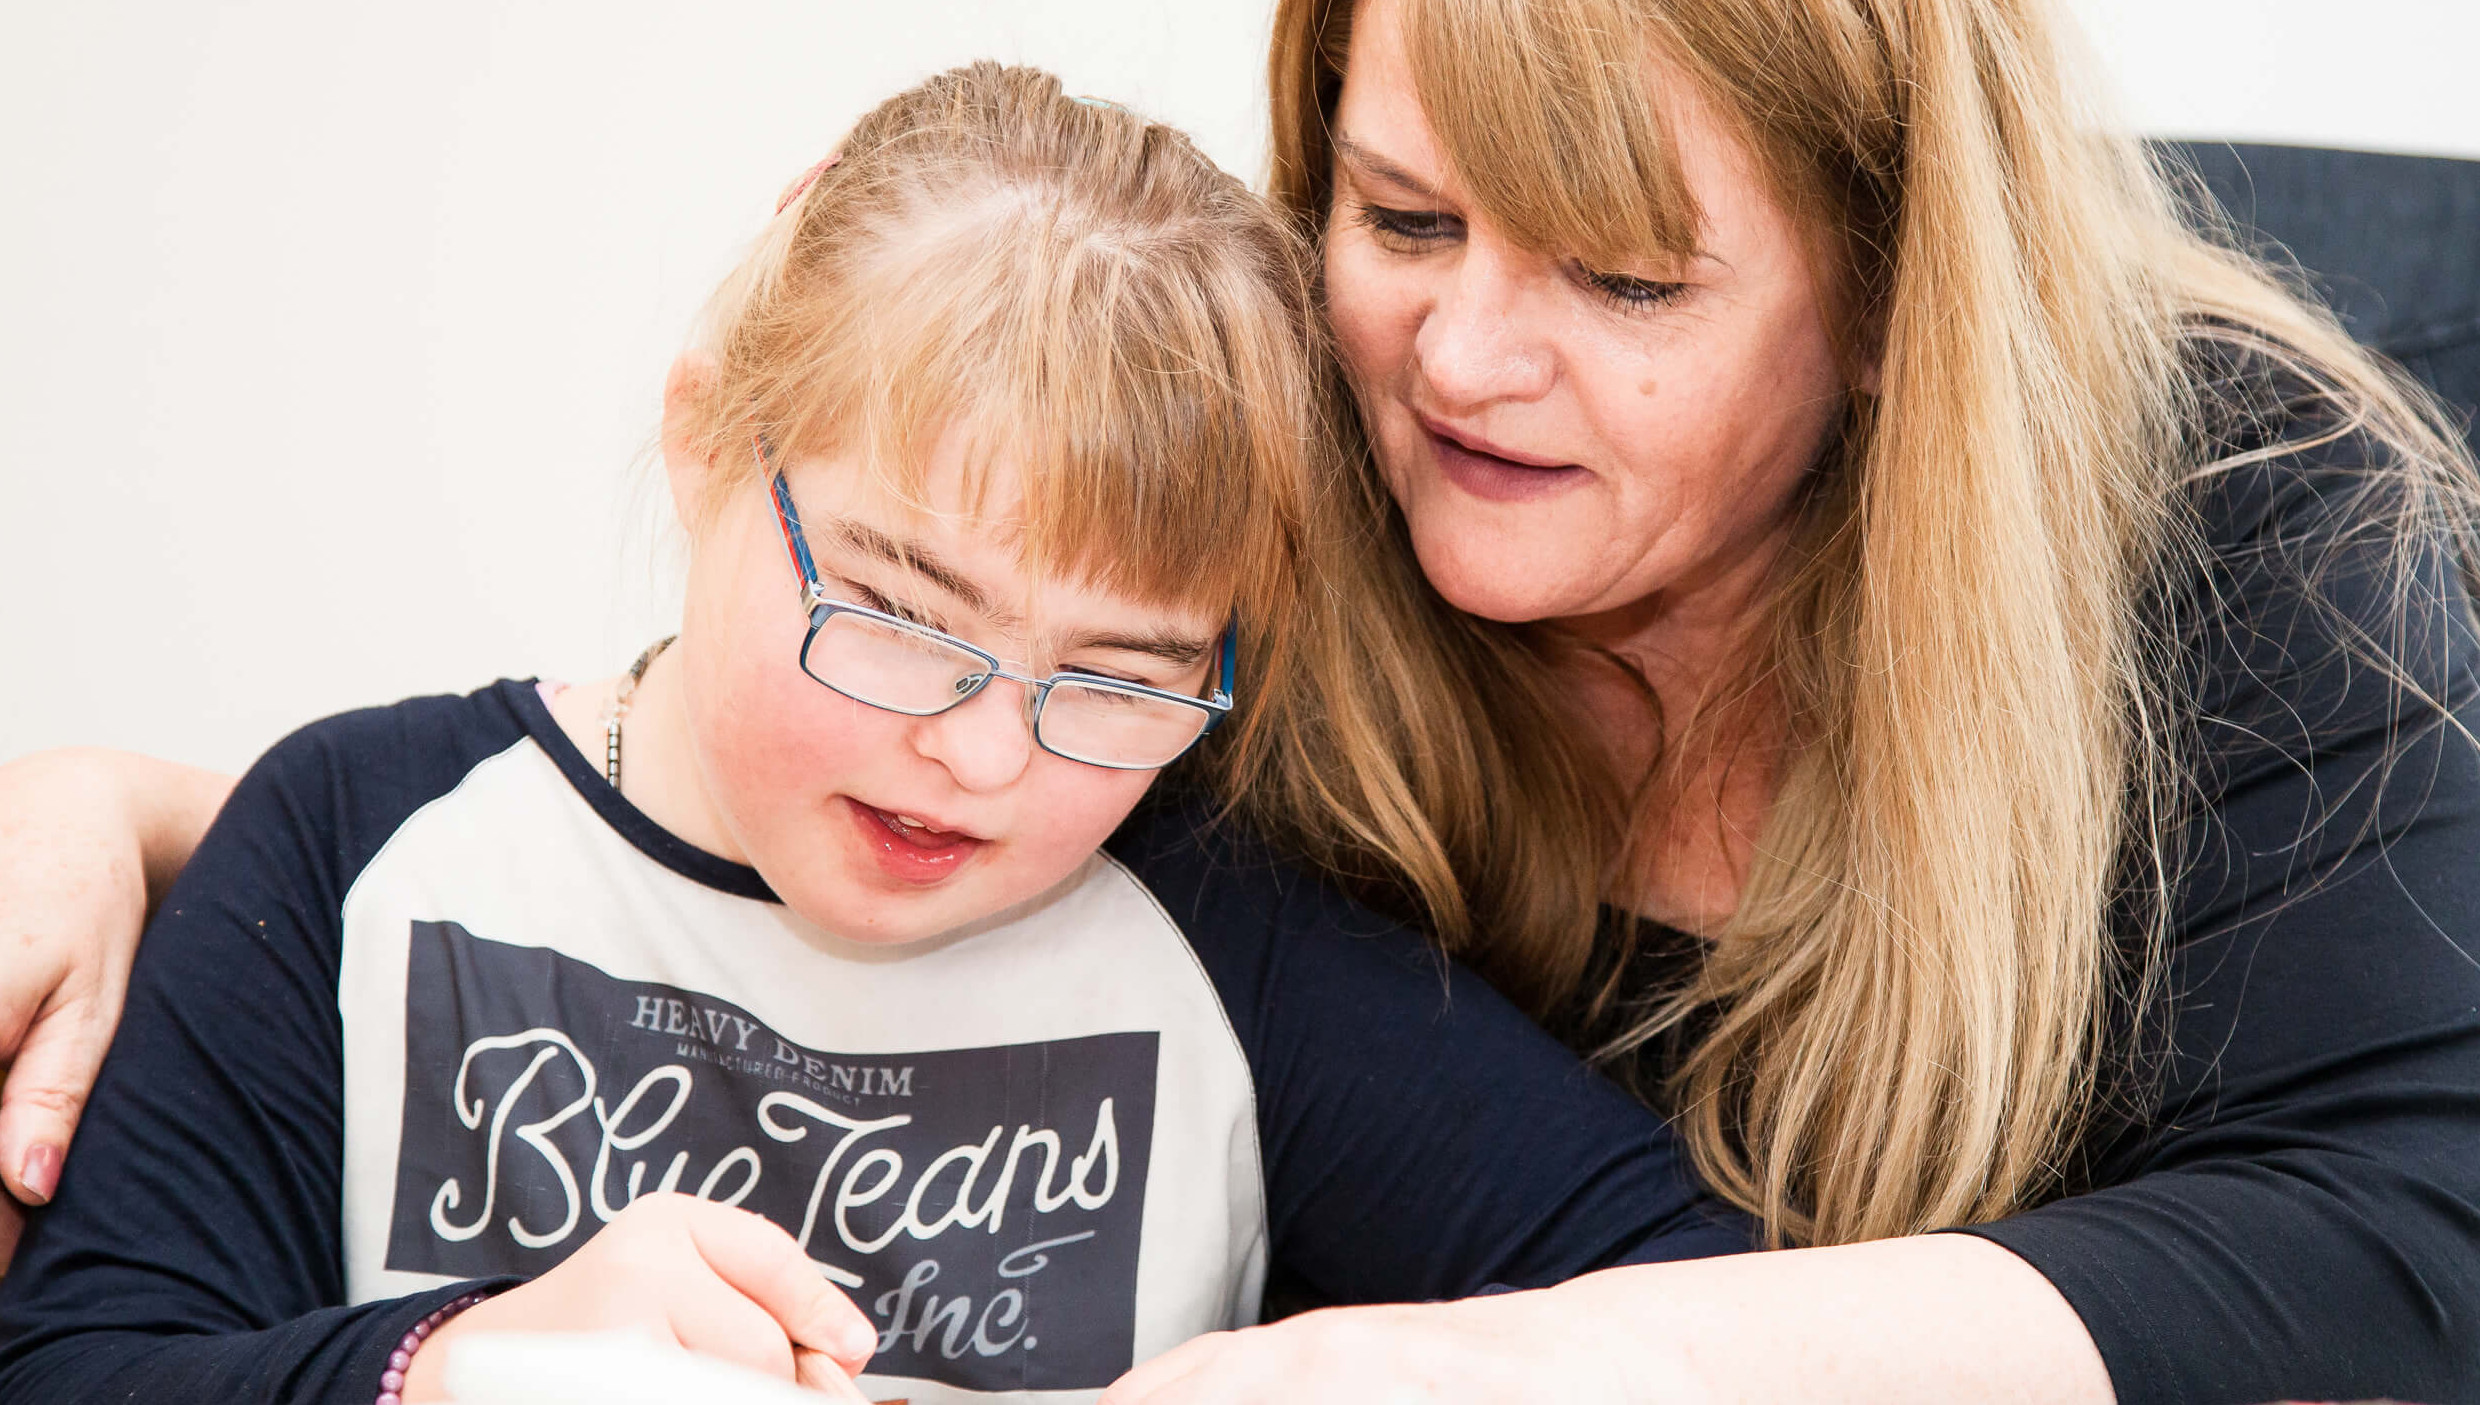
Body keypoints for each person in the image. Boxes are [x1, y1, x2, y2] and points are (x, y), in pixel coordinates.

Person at [6, 0, 2479, 1400]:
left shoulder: (2261, 539)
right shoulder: (1290, 528)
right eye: (1401, 222)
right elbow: (697, 832)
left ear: (1886, 308)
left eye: (1623, 279)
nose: (1465, 360)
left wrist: (1352, 1388)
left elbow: (2396, 1236)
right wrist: (140, 819)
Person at [0, 62, 1750, 1405]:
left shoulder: (1229, 941)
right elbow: (72, 1365)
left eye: (1121, 675)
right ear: (706, 444)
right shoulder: (349, 841)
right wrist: (455, 1365)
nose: (986, 758)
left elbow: (1711, 1305)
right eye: (905, 617)